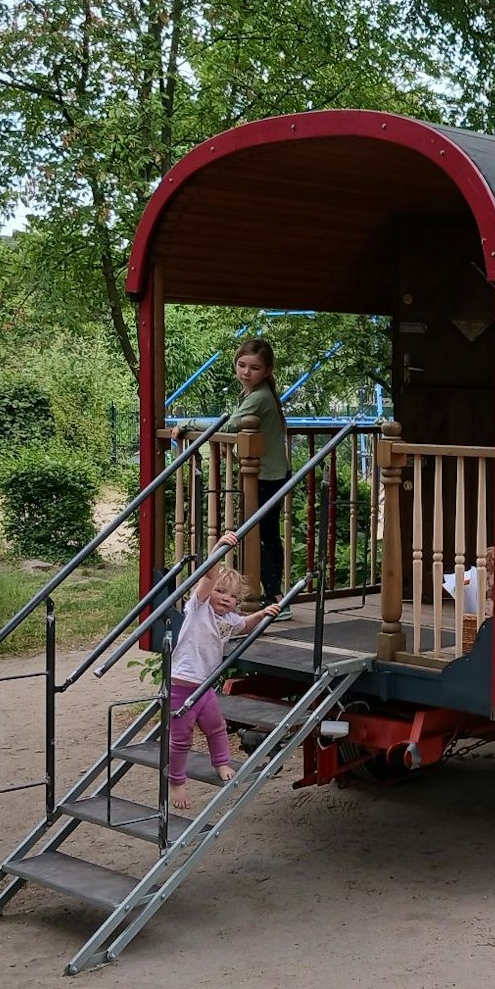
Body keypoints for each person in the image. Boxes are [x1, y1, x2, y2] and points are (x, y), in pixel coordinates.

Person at [169, 531, 283, 811]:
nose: (225, 599)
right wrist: (219, 548)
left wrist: (263, 614)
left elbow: (244, 625)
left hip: (205, 686)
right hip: (182, 685)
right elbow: (208, 577)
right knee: (181, 738)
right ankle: (176, 781)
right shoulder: (198, 608)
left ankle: (221, 762)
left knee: (216, 727)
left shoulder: (229, 620)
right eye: (220, 592)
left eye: (232, 596)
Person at [226, 338, 290, 614]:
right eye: (242, 365)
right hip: (275, 473)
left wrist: (187, 424)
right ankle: (277, 596)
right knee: (268, 535)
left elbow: (230, 426)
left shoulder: (259, 398)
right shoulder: (258, 394)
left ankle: (275, 596)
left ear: (267, 371)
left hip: (265, 476)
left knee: (254, 535)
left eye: (254, 368)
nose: (246, 372)